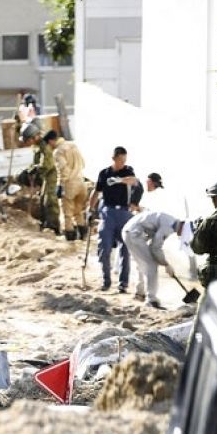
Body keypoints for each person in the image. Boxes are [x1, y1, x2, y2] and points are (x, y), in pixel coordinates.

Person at [88, 146, 139, 292]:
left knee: (125, 250)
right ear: (114, 158)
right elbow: (96, 192)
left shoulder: (127, 170)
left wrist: (119, 180)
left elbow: (133, 181)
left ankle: (123, 284)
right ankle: (106, 281)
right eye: (120, 160)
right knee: (104, 248)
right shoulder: (104, 173)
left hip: (124, 213)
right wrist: (90, 209)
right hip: (108, 213)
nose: (122, 163)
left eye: (124, 160)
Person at [121, 209, 182, 307]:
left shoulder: (171, 220)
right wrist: (166, 264)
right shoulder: (169, 227)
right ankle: (151, 300)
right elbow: (155, 248)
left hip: (129, 231)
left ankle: (139, 294)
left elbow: (153, 244)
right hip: (134, 234)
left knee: (142, 263)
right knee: (152, 265)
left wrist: (164, 262)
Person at [48, 130, 88, 241]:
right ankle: (83, 237)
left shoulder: (58, 151)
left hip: (70, 185)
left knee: (67, 214)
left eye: (49, 143)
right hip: (81, 182)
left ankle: (70, 241)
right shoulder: (73, 145)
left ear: (51, 141)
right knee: (78, 212)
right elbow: (83, 162)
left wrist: (60, 185)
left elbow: (63, 170)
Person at [24, 129, 61, 235]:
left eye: (28, 140)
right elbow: (36, 162)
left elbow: (47, 164)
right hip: (46, 177)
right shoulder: (38, 147)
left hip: (52, 176)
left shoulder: (45, 146)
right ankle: (46, 222)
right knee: (43, 199)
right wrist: (30, 169)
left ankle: (54, 227)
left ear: (33, 137)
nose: (27, 143)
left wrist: (36, 169)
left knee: (50, 200)